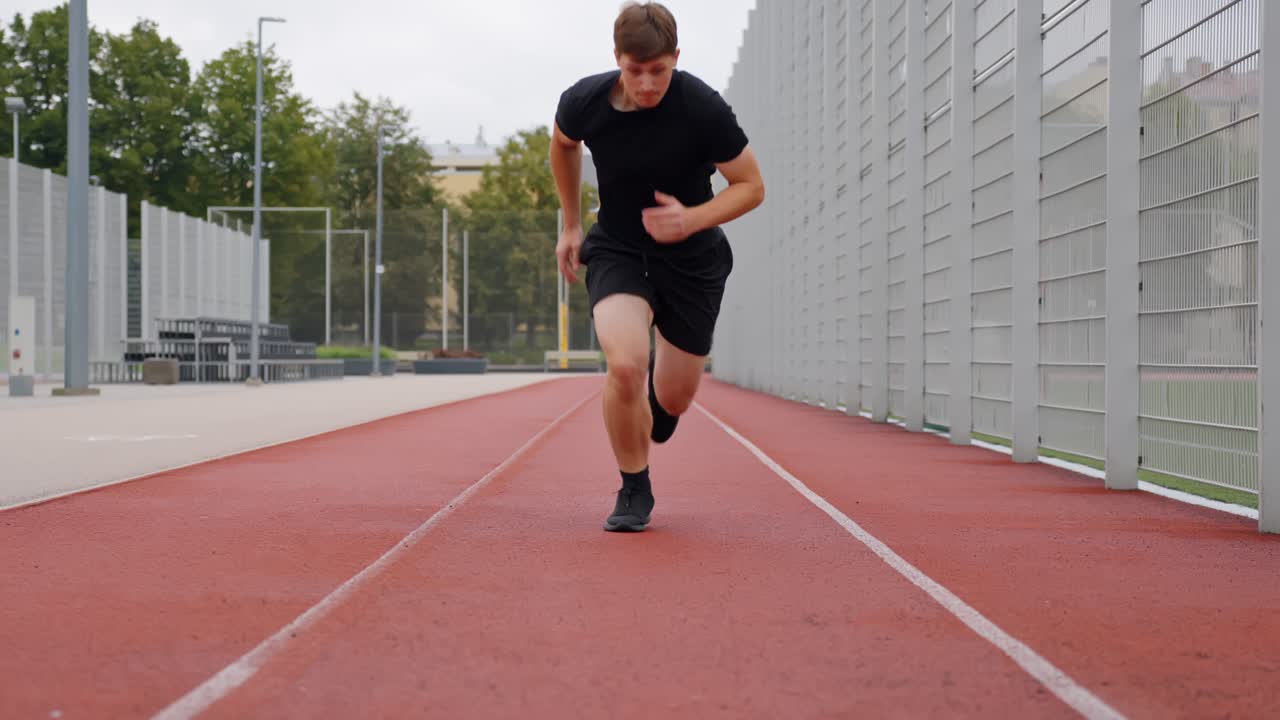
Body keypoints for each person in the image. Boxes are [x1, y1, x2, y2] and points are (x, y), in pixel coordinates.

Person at [549, 1, 766, 532]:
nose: (647, 84)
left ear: (676, 58)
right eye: (635, 71)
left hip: (692, 259)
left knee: (672, 398)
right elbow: (563, 144)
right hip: (620, 249)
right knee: (624, 365)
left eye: (659, 71)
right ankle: (633, 486)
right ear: (617, 60)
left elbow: (751, 187)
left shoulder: (702, 108)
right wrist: (572, 224)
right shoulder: (585, 100)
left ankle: (655, 407)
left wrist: (691, 219)